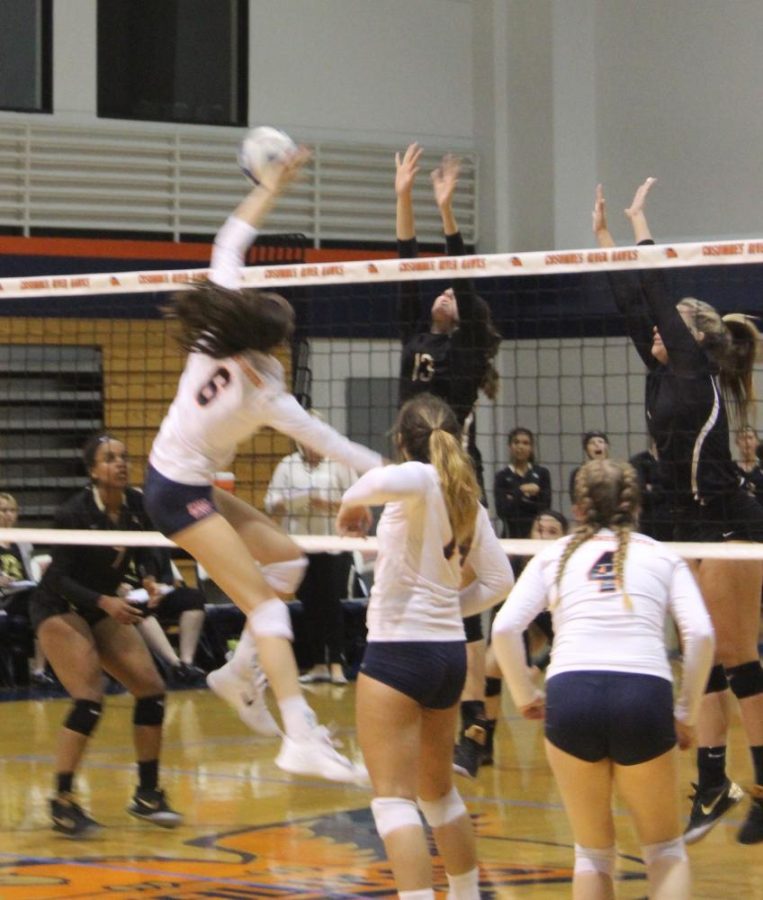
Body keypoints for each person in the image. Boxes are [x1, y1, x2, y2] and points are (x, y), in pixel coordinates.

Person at [143, 147, 383, 785]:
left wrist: (270, 186)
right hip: (175, 492)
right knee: (269, 609)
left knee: (288, 563)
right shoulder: (268, 394)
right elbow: (335, 444)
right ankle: (299, 735)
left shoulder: (212, 336)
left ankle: (235, 671)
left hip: (184, 480)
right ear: (275, 343)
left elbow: (231, 239)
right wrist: (402, 475)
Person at [601, 177, 763, 845]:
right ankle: (714, 780)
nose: (653, 335)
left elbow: (658, 296)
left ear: (689, 337)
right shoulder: (665, 371)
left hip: (731, 525)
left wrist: (641, 228)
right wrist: (605, 241)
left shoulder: (696, 373)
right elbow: (630, 301)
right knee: (706, 657)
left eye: (666, 331)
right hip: (688, 531)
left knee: (735, 653)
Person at [492, 459, 715, 900]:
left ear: (577, 508)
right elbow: (702, 633)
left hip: (571, 694)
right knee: (664, 848)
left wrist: (524, 695)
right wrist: (687, 712)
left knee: (592, 854)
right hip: (643, 695)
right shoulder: (662, 556)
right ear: (635, 507)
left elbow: (503, 629)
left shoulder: (553, 556)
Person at [336, 393, 514, 900]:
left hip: (399, 654)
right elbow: (500, 581)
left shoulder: (417, 478)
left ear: (400, 443)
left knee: (393, 801)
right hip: (446, 657)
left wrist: (351, 506)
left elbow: (374, 482)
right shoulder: (465, 499)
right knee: (437, 794)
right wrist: (444, 608)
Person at [395, 143, 503, 778]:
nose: (441, 292)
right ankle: (426, 708)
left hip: (454, 478)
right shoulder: (415, 334)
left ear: (464, 315)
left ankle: (476, 731)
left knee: (464, 601)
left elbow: (460, 274)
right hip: (411, 479)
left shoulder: (462, 356)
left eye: (452, 293)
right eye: (439, 291)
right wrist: (404, 196)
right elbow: (407, 269)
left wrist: (447, 212)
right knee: (413, 591)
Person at [29, 435, 183, 837]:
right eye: (110, 458)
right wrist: (105, 602)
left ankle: (147, 795)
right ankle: (62, 801)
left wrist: (149, 577)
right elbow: (58, 578)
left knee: (151, 689)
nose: (120, 463)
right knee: (89, 698)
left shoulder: (135, 505)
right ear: (93, 471)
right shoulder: (73, 513)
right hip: (60, 605)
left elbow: (147, 548)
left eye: (123, 457)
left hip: (101, 606)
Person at [264, 429, 356, 685]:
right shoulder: (287, 464)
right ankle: (318, 664)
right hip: (299, 545)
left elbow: (356, 502)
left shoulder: (339, 463)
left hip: (332, 545)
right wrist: (285, 504)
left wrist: (326, 504)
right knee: (310, 604)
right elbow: (270, 503)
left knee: (331, 604)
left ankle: (337, 664)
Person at [482, 509, 568, 766]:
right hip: (525, 628)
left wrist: (537, 666)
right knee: (490, 664)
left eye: (552, 532)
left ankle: (565, 734)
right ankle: (481, 742)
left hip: (560, 635)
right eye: (538, 530)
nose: (543, 536)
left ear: (564, 538)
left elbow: (563, 636)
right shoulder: (515, 562)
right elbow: (501, 626)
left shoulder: (565, 568)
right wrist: (523, 664)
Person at [0, 492, 53, 686]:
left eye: (12, 510)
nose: (8, 515)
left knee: (46, 607)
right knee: (37, 605)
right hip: (4, 597)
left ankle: (39, 669)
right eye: (3, 510)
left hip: (24, 593)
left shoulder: (22, 540)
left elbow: (31, 575)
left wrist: (41, 573)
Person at [494, 428, 552, 539]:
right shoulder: (502, 476)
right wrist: (522, 491)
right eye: (516, 442)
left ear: (531, 448)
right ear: (510, 446)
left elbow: (545, 507)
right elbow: (502, 511)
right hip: (511, 535)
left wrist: (513, 497)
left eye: (525, 443)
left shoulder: (542, 473)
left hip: (537, 535)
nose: (520, 447)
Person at [568, 430, 610, 502]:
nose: (597, 445)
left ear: (607, 446)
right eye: (592, 443)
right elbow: (575, 500)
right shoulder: (578, 473)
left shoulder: (618, 470)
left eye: (600, 441)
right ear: (586, 449)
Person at [735, 425, 763, 506]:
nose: (747, 442)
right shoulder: (731, 469)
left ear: (757, 441)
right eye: (743, 438)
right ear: (737, 442)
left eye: (750, 438)